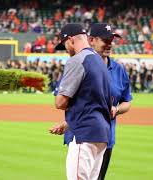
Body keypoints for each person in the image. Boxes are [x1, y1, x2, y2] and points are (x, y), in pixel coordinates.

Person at [49, 23, 112, 180]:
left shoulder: (77, 60)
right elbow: (98, 103)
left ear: (70, 40)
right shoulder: (100, 61)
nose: (66, 50)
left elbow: (60, 102)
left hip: (84, 134)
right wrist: (68, 122)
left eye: (64, 45)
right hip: (102, 134)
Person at [88, 23, 132, 180]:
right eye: (105, 40)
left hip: (106, 137)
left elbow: (127, 101)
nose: (109, 44)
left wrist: (117, 109)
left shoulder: (119, 70)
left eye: (111, 40)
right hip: (83, 136)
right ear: (91, 40)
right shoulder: (81, 65)